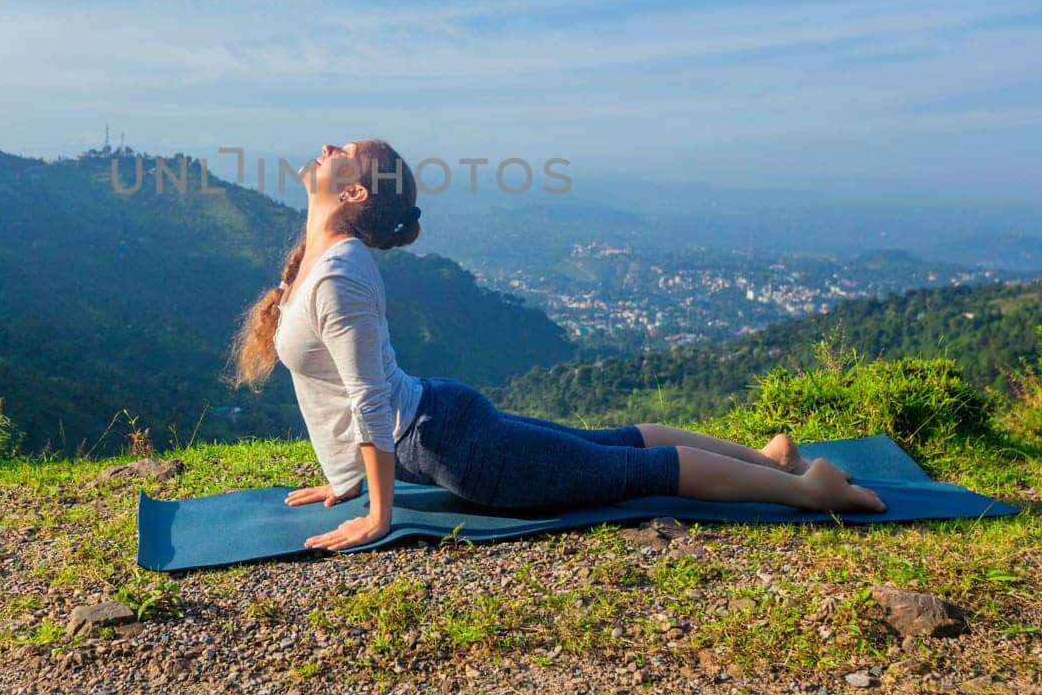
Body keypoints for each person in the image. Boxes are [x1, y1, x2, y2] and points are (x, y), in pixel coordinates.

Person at [227, 138, 885, 553]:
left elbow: (369, 400)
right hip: (440, 420)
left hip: (455, 445)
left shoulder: (339, 273)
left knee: (633, 470)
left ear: (353, 191)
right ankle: (775, 459)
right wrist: (345, 480)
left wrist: (377, 512)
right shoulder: (319, 260)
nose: (325, 145)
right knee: (616, 442)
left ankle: (809, 488)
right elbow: (337, 391)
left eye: (340, 147)